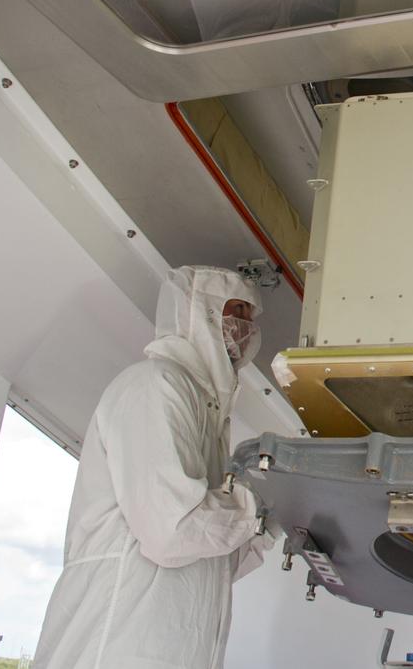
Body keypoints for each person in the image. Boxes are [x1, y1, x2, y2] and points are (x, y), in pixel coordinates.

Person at [35, 266, 273, 669]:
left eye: (250, 317)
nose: (246, 328)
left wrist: (272, 524)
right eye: (236, 312)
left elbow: (215, 562)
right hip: (116, 646)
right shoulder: (155, 385)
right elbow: (173, 531)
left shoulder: (210, 414)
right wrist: (257, 507)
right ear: (198, 312)